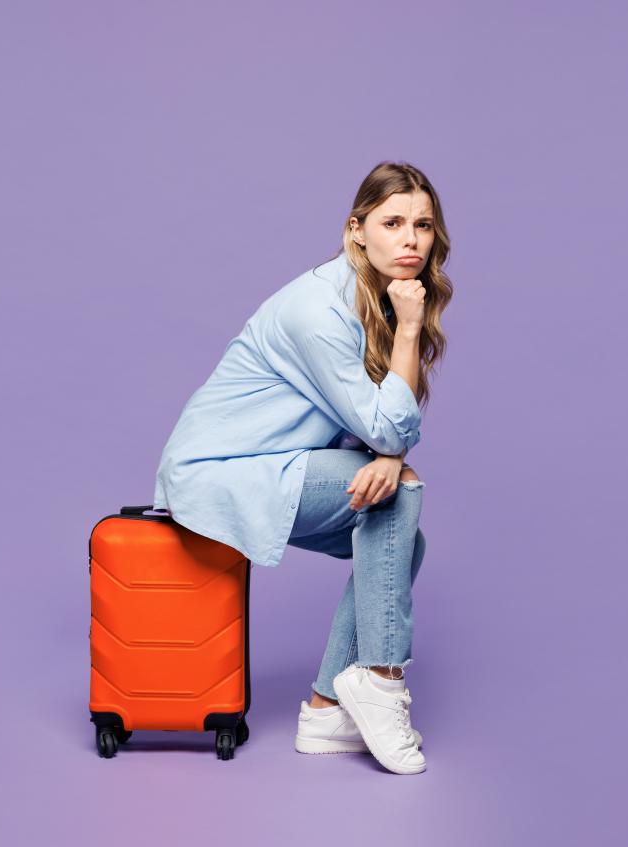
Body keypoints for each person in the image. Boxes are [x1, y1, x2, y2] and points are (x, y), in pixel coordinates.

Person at [153, 161, 452, 774]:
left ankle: (324, 711)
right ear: (355, 231)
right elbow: (385, 426)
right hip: (225, 471)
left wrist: (390, 453)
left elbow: (381, 427)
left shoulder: (376, 298)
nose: (411, 239)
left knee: (402, 541)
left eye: (423, 225)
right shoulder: (317, 309)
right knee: (401, 497)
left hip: (280, 464)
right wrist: (410, 338)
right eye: (392, 222)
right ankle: (380, 678)